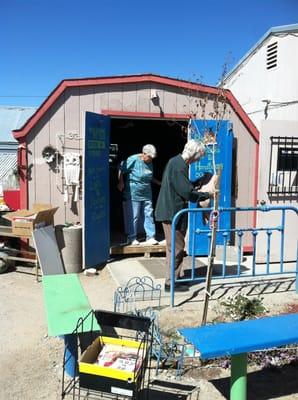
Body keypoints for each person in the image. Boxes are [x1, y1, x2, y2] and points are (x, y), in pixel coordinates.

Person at [155, 140, 214, 292]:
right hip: (172, 212)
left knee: (175, 247)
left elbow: (182, 186)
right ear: (193, 154)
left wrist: (196, 183)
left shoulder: (177, 163)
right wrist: (207, 194)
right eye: (198, 157)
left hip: (171, 211)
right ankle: (171, 282)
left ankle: (175, 277)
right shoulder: (178, 165)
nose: (198, 160)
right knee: (176, 248)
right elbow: (186, 192)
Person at [118, 144, 160, 246]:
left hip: (147, 192)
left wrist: (159, 182)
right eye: (149, 157)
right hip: (133, 192)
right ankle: (132, 238)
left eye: (152, 158)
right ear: (144, 154)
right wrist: (120, 182)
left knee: (148, 214)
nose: (150, 160)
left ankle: (150, 237)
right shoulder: (133, 159)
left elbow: (149, 177)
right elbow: (121, 169)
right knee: (134, 215)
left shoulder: (150, 162)